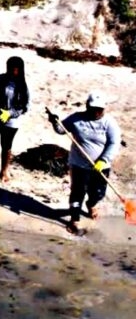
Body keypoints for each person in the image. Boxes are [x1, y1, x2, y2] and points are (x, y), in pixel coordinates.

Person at [48, 92, 122, 235]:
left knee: (98, 193)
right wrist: (54, 121)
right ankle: (74, 218)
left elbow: (114, 143)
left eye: (99, 109)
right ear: (87, 106)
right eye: (93, 108)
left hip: (101, 166)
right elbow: (61, 129)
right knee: (77, 192)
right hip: (78, 165)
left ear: (104, 109)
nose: (96, 112)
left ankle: (92, 204)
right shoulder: (77, 119)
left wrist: (103, 160)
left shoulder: (109, 123)